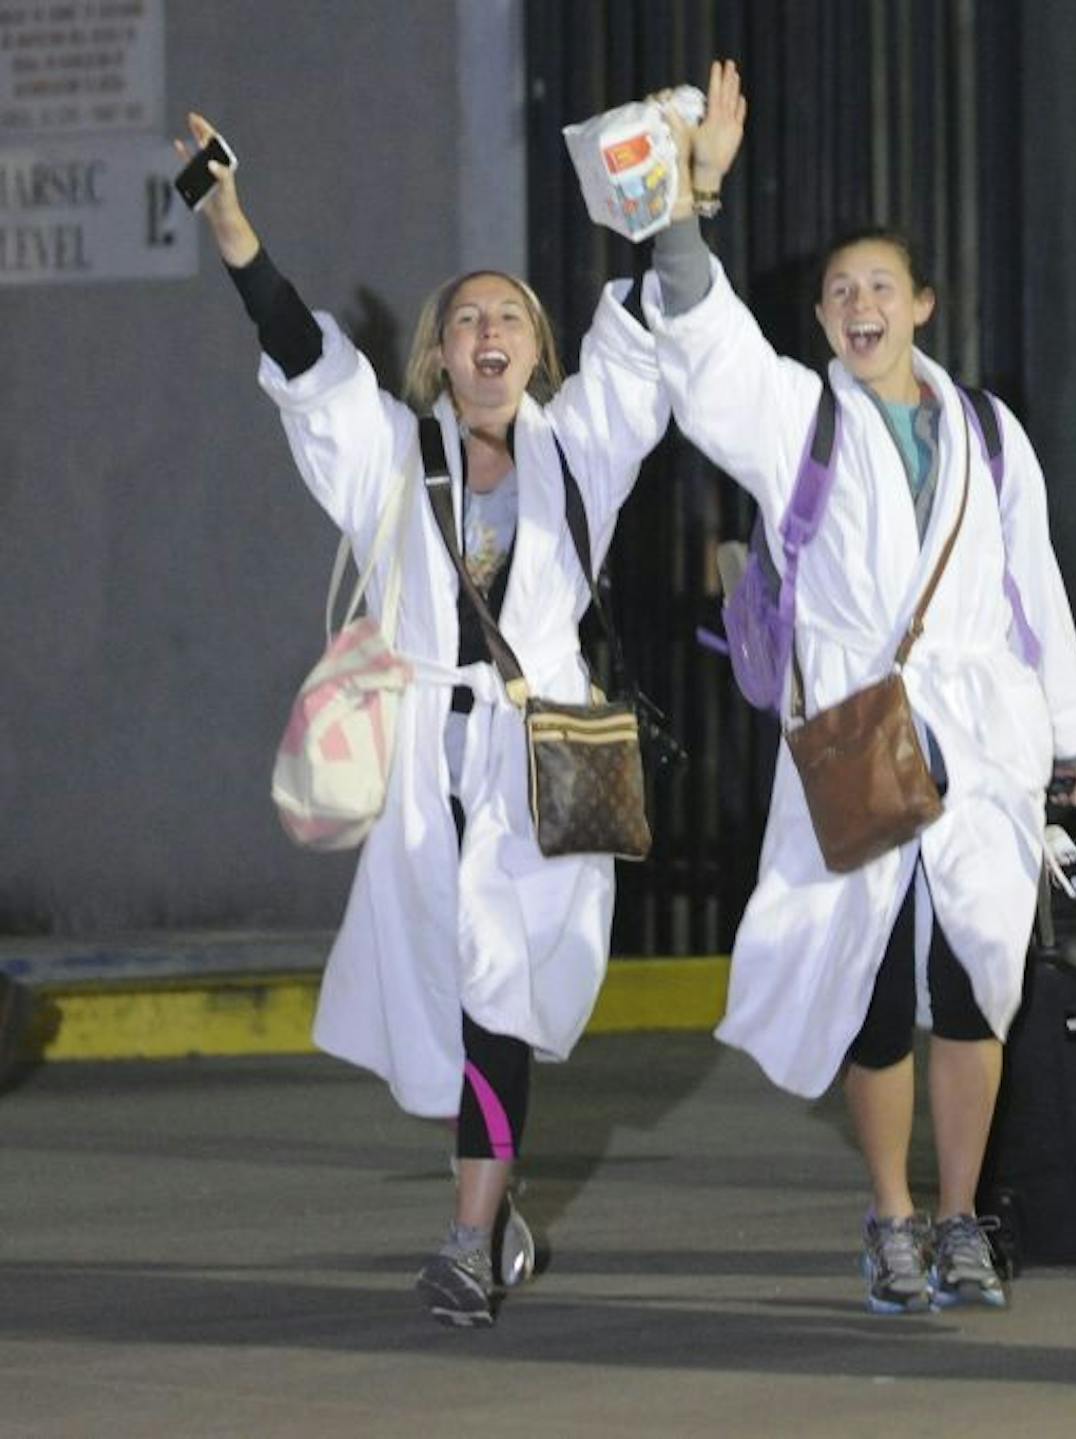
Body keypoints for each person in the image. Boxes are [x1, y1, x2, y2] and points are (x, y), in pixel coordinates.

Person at [180, 113, 674, 1328]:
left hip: (539, 767)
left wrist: (672, 196)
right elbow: (303, 358)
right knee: (462, 1003)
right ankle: (495, 1214)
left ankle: (464, 1233)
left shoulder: (582, 453)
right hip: (422, 768)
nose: (488, 332)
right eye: (466, 319)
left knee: (501, 992)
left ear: (537, 348)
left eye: (508, 316)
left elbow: (660, 335)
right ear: (440, 357)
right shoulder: (391, 459)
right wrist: (233, 225)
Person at [643, 62, 1076, 1314]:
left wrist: (1071, 735)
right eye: (840, 291)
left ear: (923, 305)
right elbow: (700, 339)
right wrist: (695, 193)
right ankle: (891, 1215)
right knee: (868, 981)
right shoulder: (800, 418)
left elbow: (1036, 591)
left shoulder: (994, 436)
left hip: (976, 739)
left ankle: (963, 1215)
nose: (860, 303)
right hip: (856, 733)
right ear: (822, 320)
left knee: (976, 978)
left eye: (880, 287)